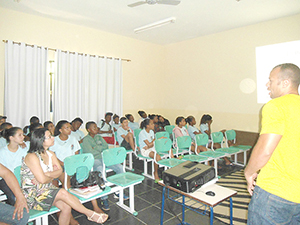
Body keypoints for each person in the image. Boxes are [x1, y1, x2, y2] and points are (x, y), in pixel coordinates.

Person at [245, 63, 300, 224]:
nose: (267, 84)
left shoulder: (276, 106)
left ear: (285, 83)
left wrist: (249, 172)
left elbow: (265, 150)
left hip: (275, 193)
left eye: (271, 80)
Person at [21, 128, 108, 224]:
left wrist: (47, 174)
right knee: (62, 192)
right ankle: (90, 214)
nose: (53, 138)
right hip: (34, 195)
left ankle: (90, 214)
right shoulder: (32, 156)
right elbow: (42, 180)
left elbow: (59, 171)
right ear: (40, 140)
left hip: (48, 190)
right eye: (49, 137)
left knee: (66, 206)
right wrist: (49, 175)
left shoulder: (51, 154)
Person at [81, 121, 128, 211]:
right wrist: (99, 148)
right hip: (94, 159)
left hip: (104, 157)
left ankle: (118, 191)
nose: (96, 129)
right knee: (100, 170)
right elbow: (90, 152)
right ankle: (104, 198)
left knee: (119, 167)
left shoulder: (99, 137)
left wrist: (96, 148)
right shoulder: (86, 140)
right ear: (89, 130)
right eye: (94, 128)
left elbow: (105, 147)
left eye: (96, 127)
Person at [0, 127, 29, 206]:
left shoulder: (24, 149)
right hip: (5, 179)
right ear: (11, 138)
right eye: (19, 135)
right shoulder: (2, 152)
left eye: (23, 134)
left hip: (22, 176)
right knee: (14, 196)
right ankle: (16, 214)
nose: (23, 137)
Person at [49, 120, 80, 186]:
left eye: (70, 127)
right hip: (59, 165)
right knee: (58, 181)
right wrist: (63, 164)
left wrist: (72, 163)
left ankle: (68, 194)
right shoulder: (55, 140)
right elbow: (52, 155)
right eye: (67, 128)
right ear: (60, 130)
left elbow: (76, 153)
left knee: (67, 179)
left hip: (71, 164)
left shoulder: (73, 139)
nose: (70, 130)